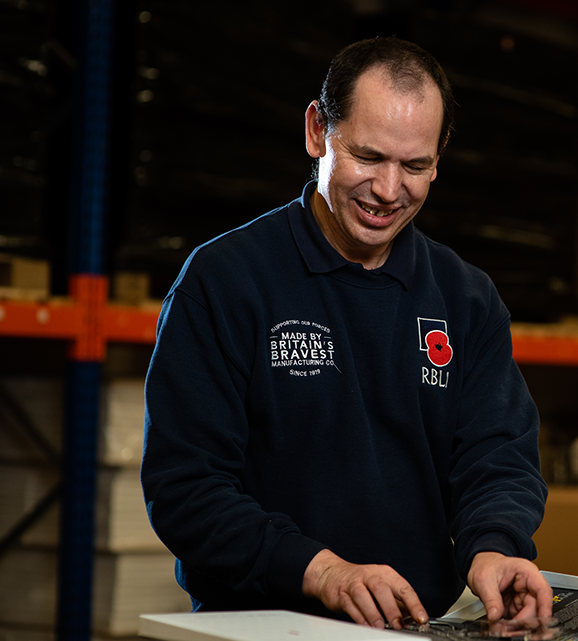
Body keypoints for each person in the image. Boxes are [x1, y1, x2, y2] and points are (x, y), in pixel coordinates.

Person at [140, 36, 553, 631]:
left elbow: (498, 453)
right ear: (316, 131)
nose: (388, 191)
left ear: (439, 160)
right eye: (368, 157)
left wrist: (494, 545)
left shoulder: (466, 298)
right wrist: (322, 571)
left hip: (420, 626)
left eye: (415, 166)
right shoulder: (225, 281)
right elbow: (186, 487)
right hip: (265, 626)